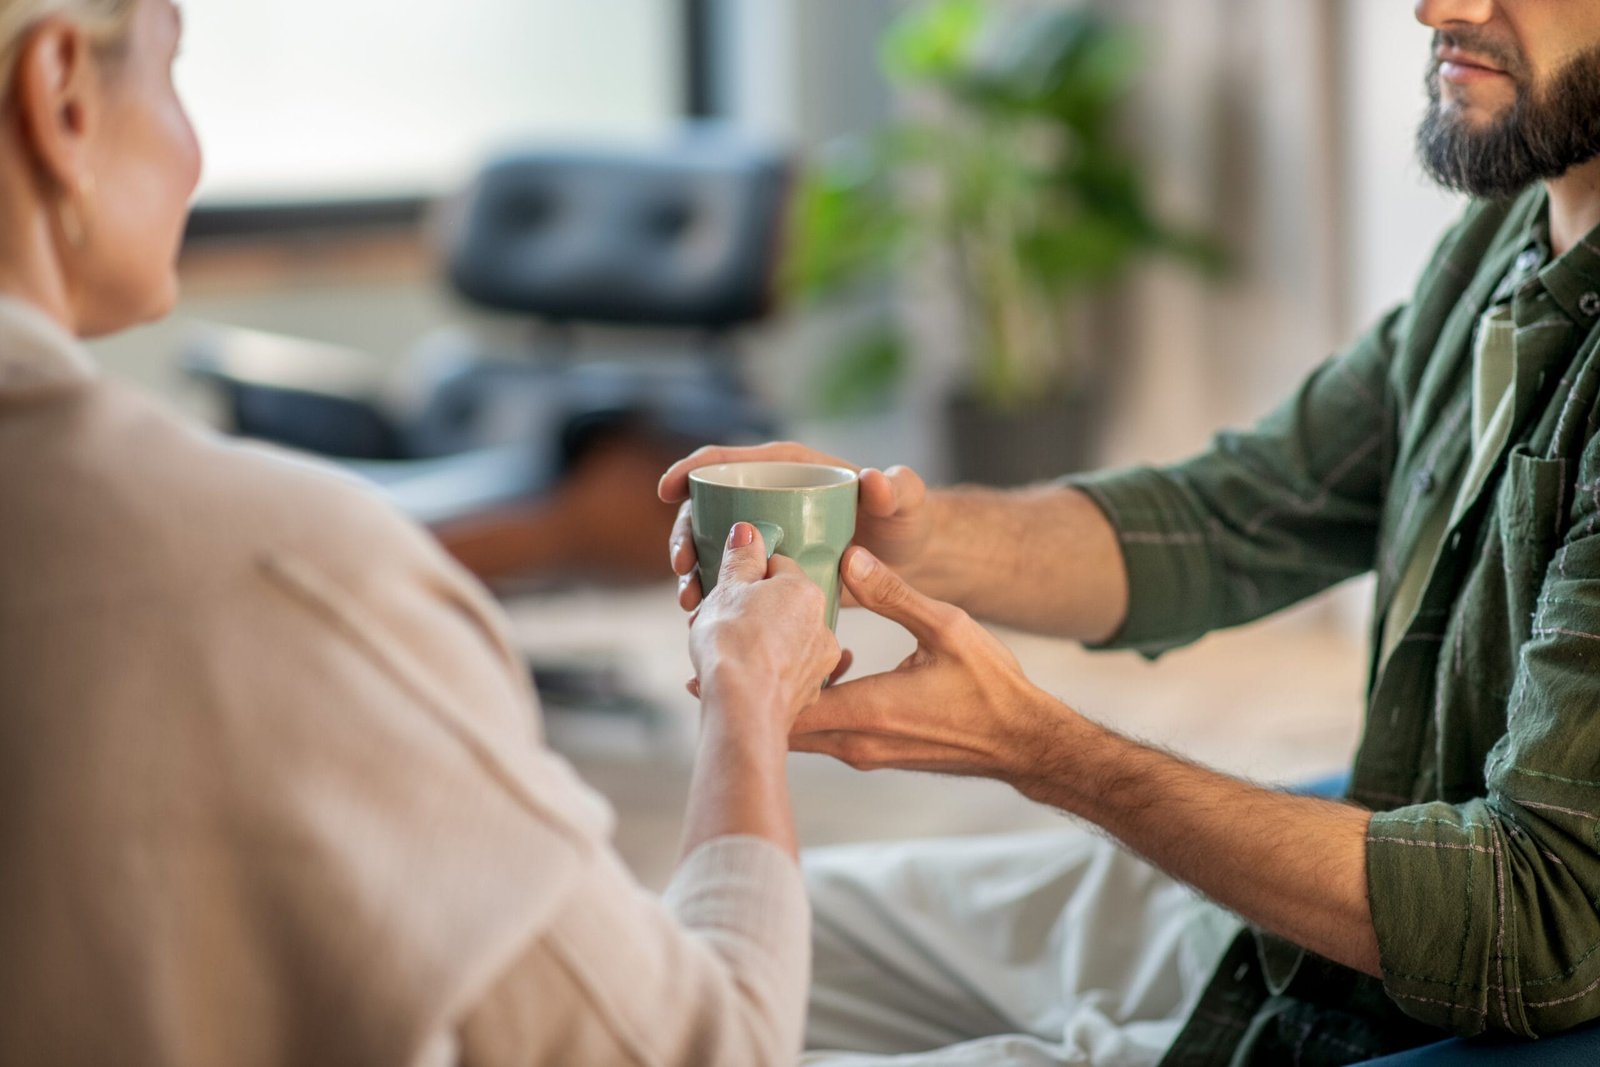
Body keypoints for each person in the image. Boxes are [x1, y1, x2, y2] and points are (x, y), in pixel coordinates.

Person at [662, 0, 1600, 1063]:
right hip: (1268, 931)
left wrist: (1039, 747)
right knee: (672, 962)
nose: (1438, 7)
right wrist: (881, 528)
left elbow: (1543, 919)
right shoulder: (1503, 240)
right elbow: (1227, 515)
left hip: (1394, 1015)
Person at [0, 1, 845, 1063]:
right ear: (61, 95)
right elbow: (708, 1046)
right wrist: (749, 689)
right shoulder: (294, 577)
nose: (195, 153)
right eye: (174, 76)